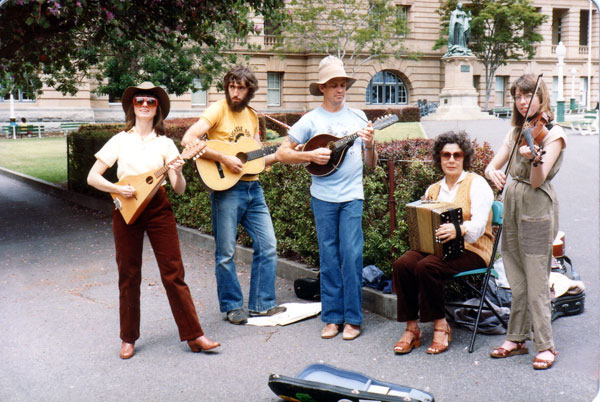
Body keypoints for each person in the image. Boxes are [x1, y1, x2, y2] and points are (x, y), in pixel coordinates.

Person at [87, 82, 220, 359]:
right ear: (132, 107)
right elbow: (93, 177)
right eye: (139, 101)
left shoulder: (166, 144)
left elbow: (178, 188)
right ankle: (128, 338)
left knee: (173, 272)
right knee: (128, 273)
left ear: (157, 107)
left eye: (151, 101)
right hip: (126, 207)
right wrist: (117, 188)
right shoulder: (120, 140)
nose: (145, 105)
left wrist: (179, 172)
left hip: (158, 207)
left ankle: (195, 335)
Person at [275, 56, 376, 341]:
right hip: (322, 198)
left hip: (352, 197)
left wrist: (370, 145)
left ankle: (353, 319)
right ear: (322, 88)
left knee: (352, 255)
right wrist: (309, 155)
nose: (340, 90)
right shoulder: (311, 120)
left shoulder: (358, 118)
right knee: (329, 257)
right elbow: (282, 153)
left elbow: (371, 164)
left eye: (343, 84)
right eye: (334, 85)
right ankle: (332, 318)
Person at [181, 65, 285, 325]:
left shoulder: (251, 115)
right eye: (232, 87)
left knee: (268, 244)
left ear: (250, 91)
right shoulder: (217, 109)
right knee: (226, 252)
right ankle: (232, 306)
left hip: (254, 188)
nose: (236, 92)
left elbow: (256, 153)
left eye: (241, 88)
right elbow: (188, 139)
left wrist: (286, 154)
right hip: (226, 190)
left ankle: (262, 304)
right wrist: (224, 158)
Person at [485, 74, 566, 370]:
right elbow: (493, 163)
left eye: (527, 96)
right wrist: (490, 172)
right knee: (515, 275)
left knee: (535, 277)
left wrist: (534, 160)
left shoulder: (553, 134)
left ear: (541, 97)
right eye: (517, 97)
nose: (521, 102)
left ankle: (545, 344)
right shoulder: (517, 132)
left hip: (535, 205)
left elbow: (538, 179)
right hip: (512, 203)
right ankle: (517, 338)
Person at [391, 131, 494, 355]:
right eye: (446, 155)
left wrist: (458, 229)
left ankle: (441, 325)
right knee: (403, 263)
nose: (451, 160)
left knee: (427, 266)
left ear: (464, 158)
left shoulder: (477, 184)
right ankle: (411, 328)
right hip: (438, 248)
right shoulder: (433, 189)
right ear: (439, 158)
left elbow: (477, 229)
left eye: (457, 155)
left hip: (473, 249)